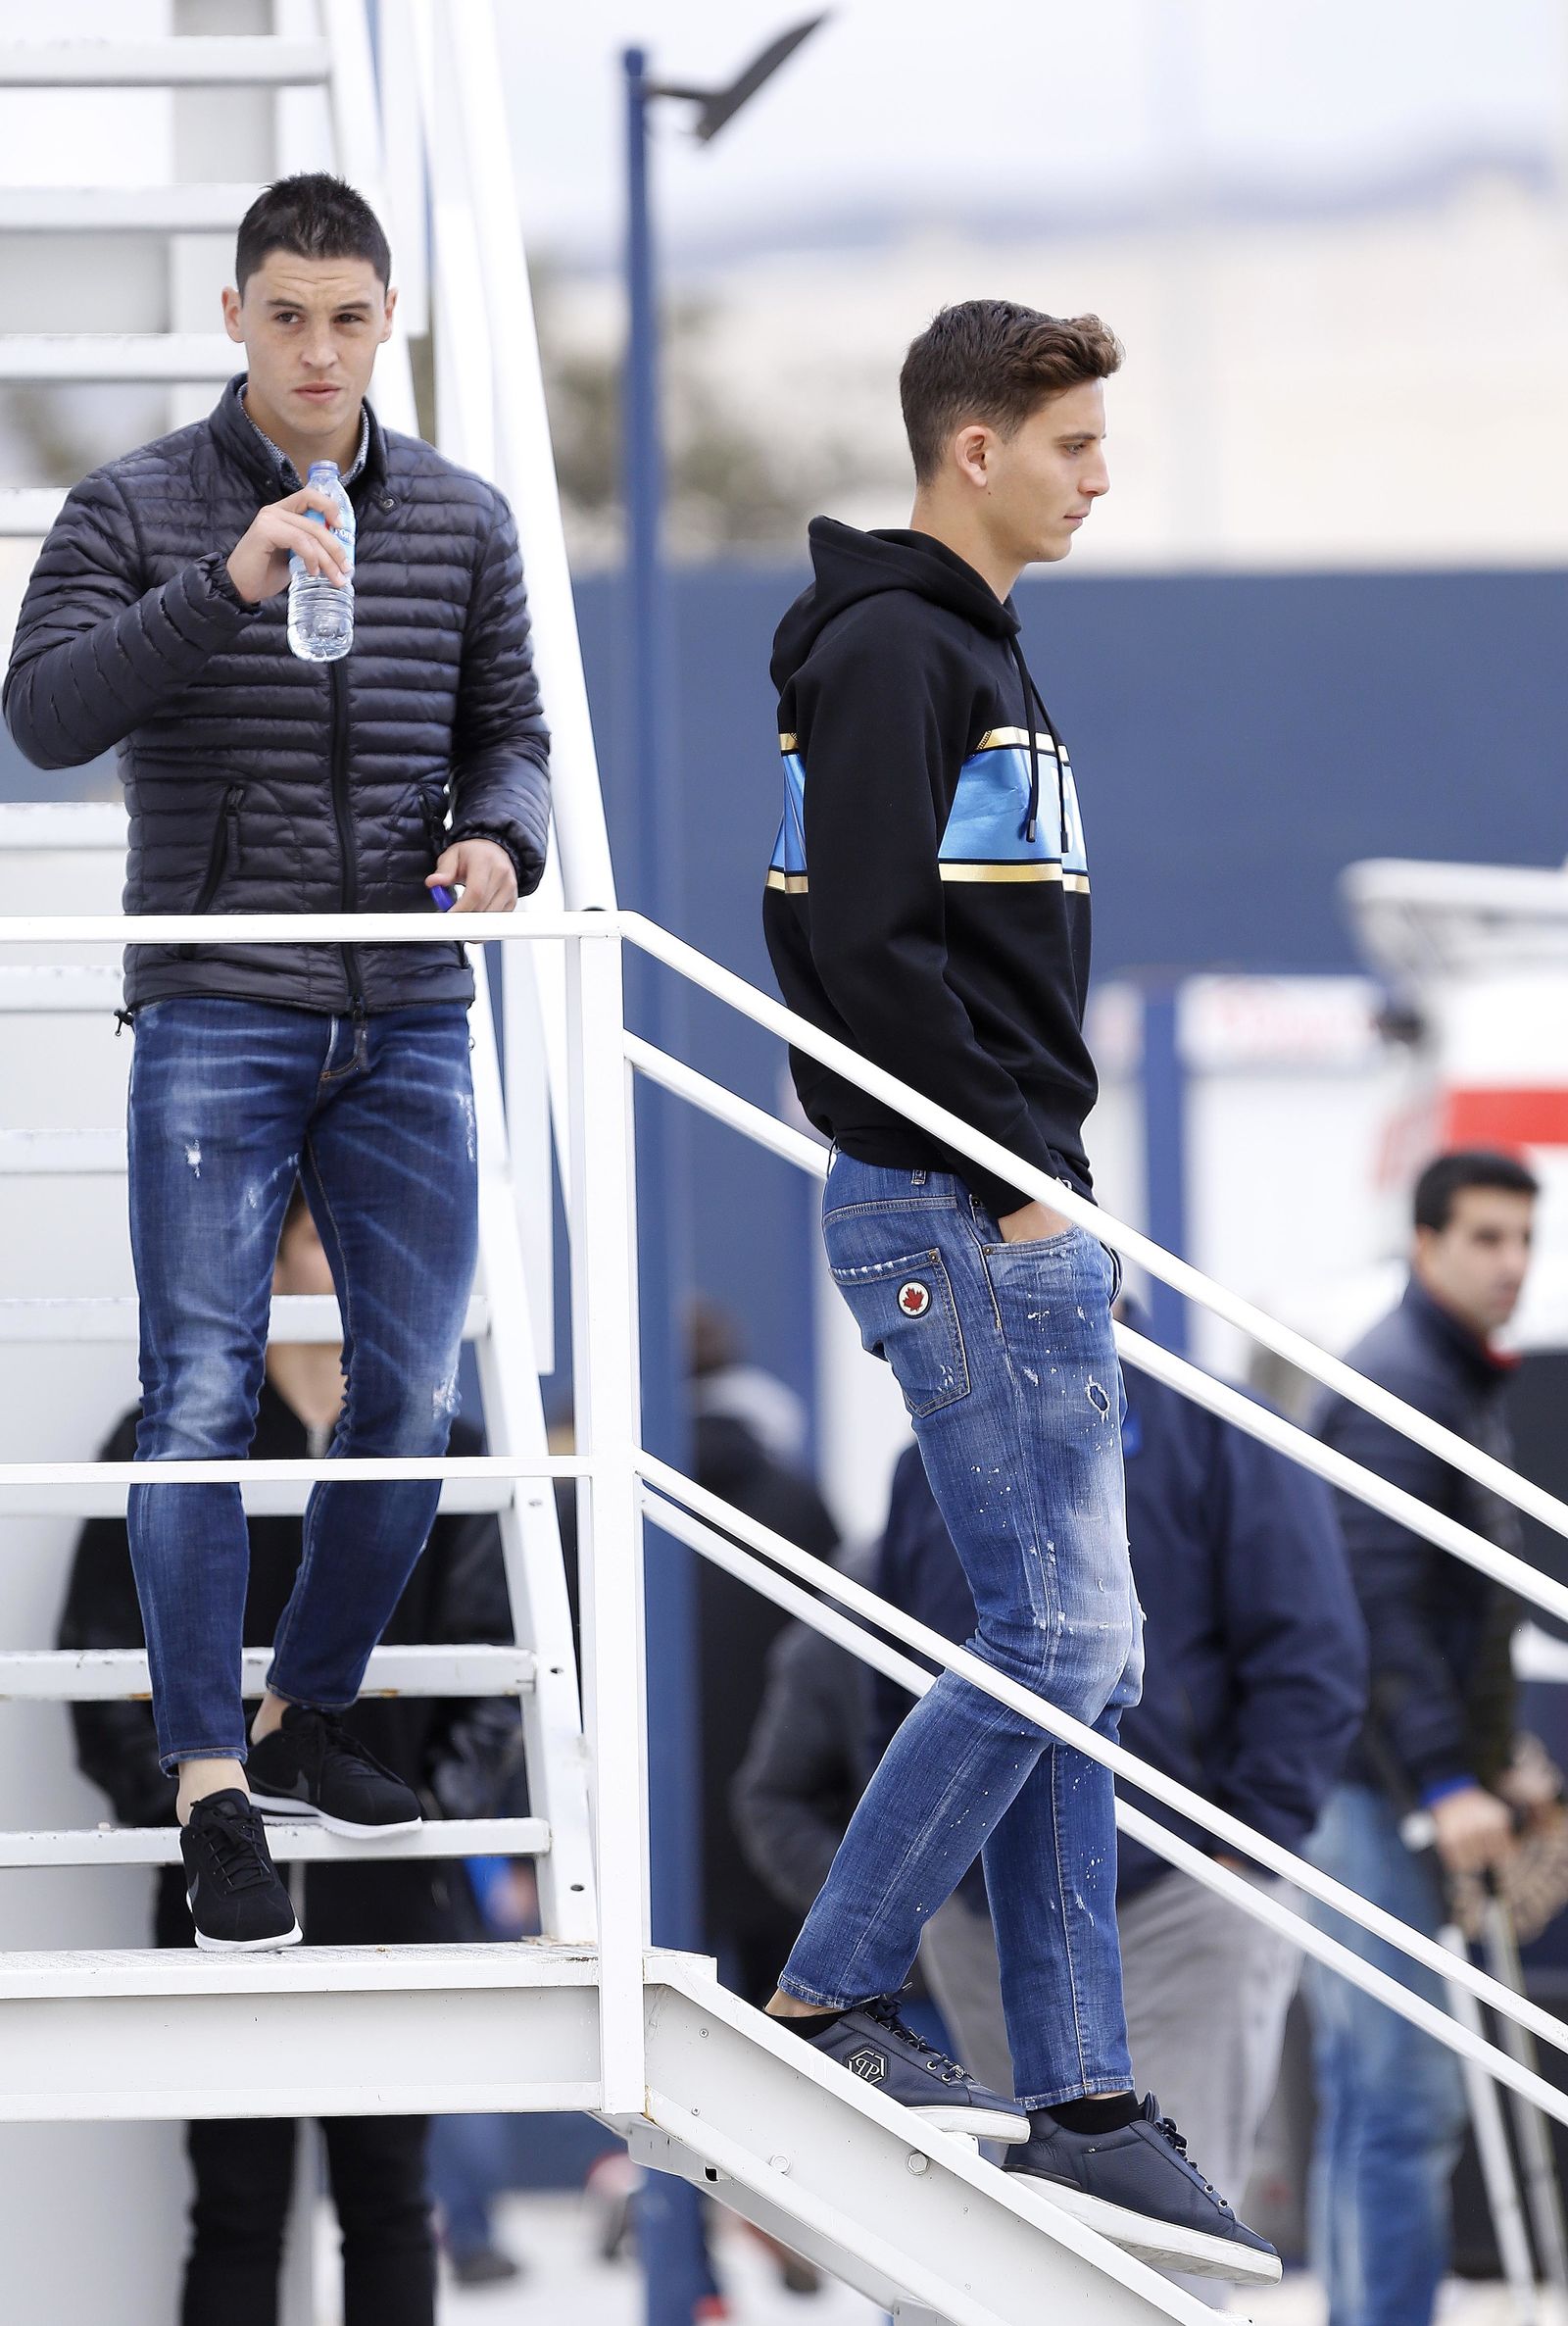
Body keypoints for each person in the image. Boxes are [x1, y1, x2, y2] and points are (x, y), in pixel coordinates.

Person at [757, 296, 1275, 2279]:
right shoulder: (898, 645)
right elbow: (857, 957)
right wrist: (1011, 1181)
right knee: (1061, 1638)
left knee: (1085, 1654)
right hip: (964, 1209)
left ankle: (1073, 2084)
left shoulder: (955, 649)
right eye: (1068, 443)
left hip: (1002, 1200)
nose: (1098, 474)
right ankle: (832, 1981)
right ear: (970, 446)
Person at [3, 173, 549, 1950]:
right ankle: (207, 1785)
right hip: (220, 995)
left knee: (410, 1395)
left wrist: (504, 846)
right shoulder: (135, 503)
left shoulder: (460, 518)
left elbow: (511, 737)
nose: (319, 348)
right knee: (203, 1398)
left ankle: (310, 1704)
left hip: (404, 1002)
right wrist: (218, 591)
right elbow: (46, 714)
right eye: (287, 313)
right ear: (236, 316)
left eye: (350, 316)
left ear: (388, 322)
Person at [59, 1186, 523, 2326]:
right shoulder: (165, 1443)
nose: (363, 1260)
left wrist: (420, 1824)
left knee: (388, 2200)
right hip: (219, 1890)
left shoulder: (446, 1449)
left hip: (392, 1890)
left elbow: (495, 1677)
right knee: (235, 2211)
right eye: (331, 1236)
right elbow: (96, 1668)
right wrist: (190, 1820)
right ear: (270, 1261)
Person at [865, 1300, 1367, 2304]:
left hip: (1176, 1898)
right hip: (990, 1911)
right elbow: (893, 1669)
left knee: (1162, 2248)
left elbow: (1309, 1651)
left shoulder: (1216, 1429)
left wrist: (1244, 1846)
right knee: (1024, 2246)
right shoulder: (931, 1444)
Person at [1303, 1149, 1545, 2326]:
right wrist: (1450, 1776)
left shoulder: (1447, 1376)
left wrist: (1498, 1754)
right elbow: (1379, 1608)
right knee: (1404, 2102)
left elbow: (1461, 1610)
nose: (1511, 1265)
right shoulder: (1405, 1385)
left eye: (1523, 1240)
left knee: (1370, 2100)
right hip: (1379, 1791)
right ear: (1426, 1242)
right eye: (1485, 1239)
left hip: (1377, 1782)